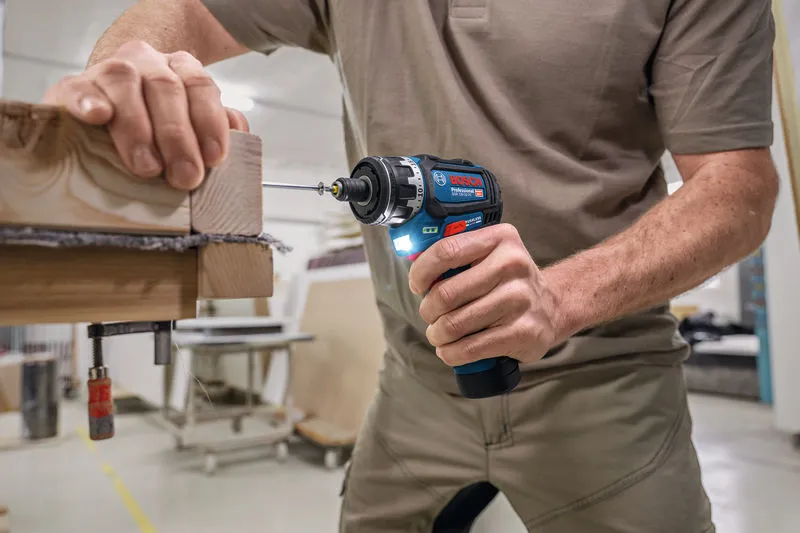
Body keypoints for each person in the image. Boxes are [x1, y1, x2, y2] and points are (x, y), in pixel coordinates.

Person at [45, 1, 779, 531]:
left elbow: (739, 186)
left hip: (606, 378)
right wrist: (126, 63)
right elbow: (186, 11)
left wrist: (559, 298)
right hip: (414, 380)